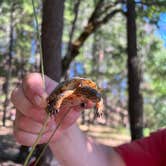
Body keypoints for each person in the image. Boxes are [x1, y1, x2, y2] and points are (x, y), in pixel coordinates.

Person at [11, 73, 166, 166]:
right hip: (67, 94)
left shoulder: (91, 94)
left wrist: (99, 107)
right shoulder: (161, 143)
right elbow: (106, 162)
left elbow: (96, 97)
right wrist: (61, 132)